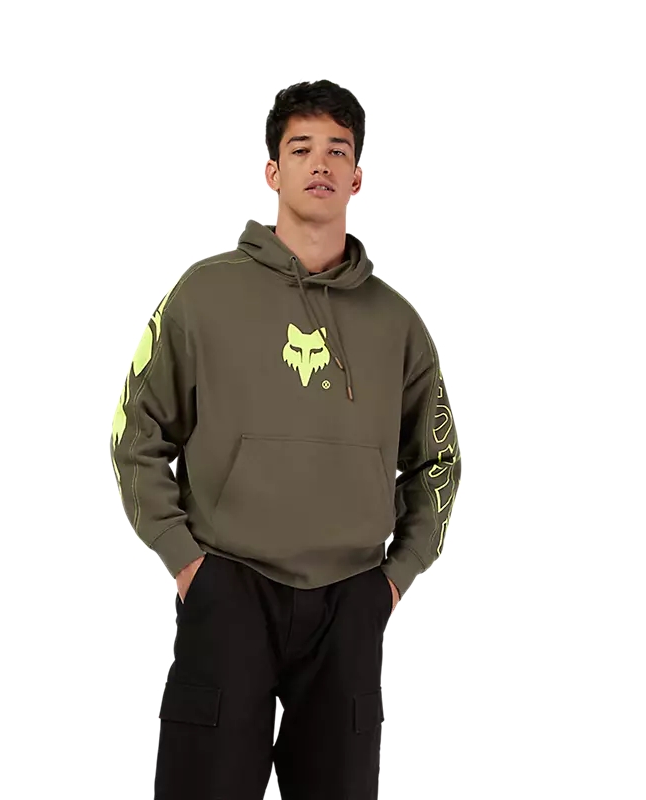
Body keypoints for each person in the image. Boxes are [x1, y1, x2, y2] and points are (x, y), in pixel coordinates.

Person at [109, 79, 462, 800]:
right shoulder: (204, 294)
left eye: (338, 150)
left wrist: (394, 580)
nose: (320, 163)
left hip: (350, 602)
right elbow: (135, 431)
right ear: (272, 171)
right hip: (228, 587)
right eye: (301, 149)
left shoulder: (396, 322)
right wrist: (186, 563)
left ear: (357, 177)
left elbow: (438, 460)